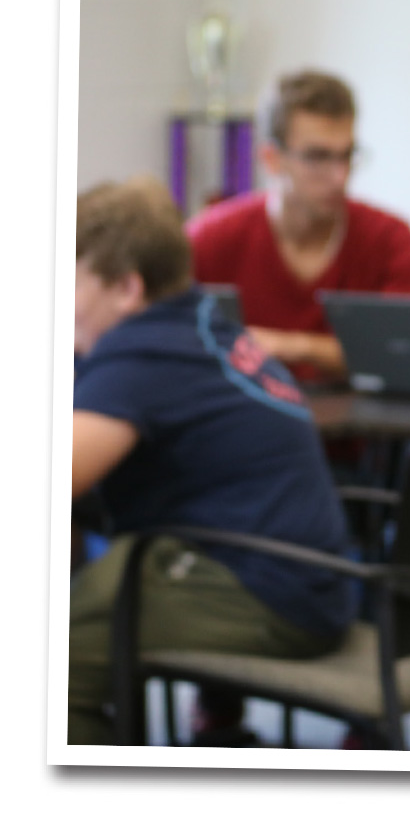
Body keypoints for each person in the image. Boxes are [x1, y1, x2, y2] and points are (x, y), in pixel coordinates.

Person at [70, 177, 355, 746]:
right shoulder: (200, 324)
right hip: (316, 580)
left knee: (45, 659)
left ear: (127, 288)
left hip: (268, 595)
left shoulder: (143, 353)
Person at [186, 69, 410, 384]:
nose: (340, 176)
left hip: (359, 430)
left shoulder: (389, 238)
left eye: (347, 155)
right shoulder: (208, 240)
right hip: (245, 428)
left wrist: (292, 346)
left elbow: (405, 355)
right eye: (317, 157)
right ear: (271, 159)